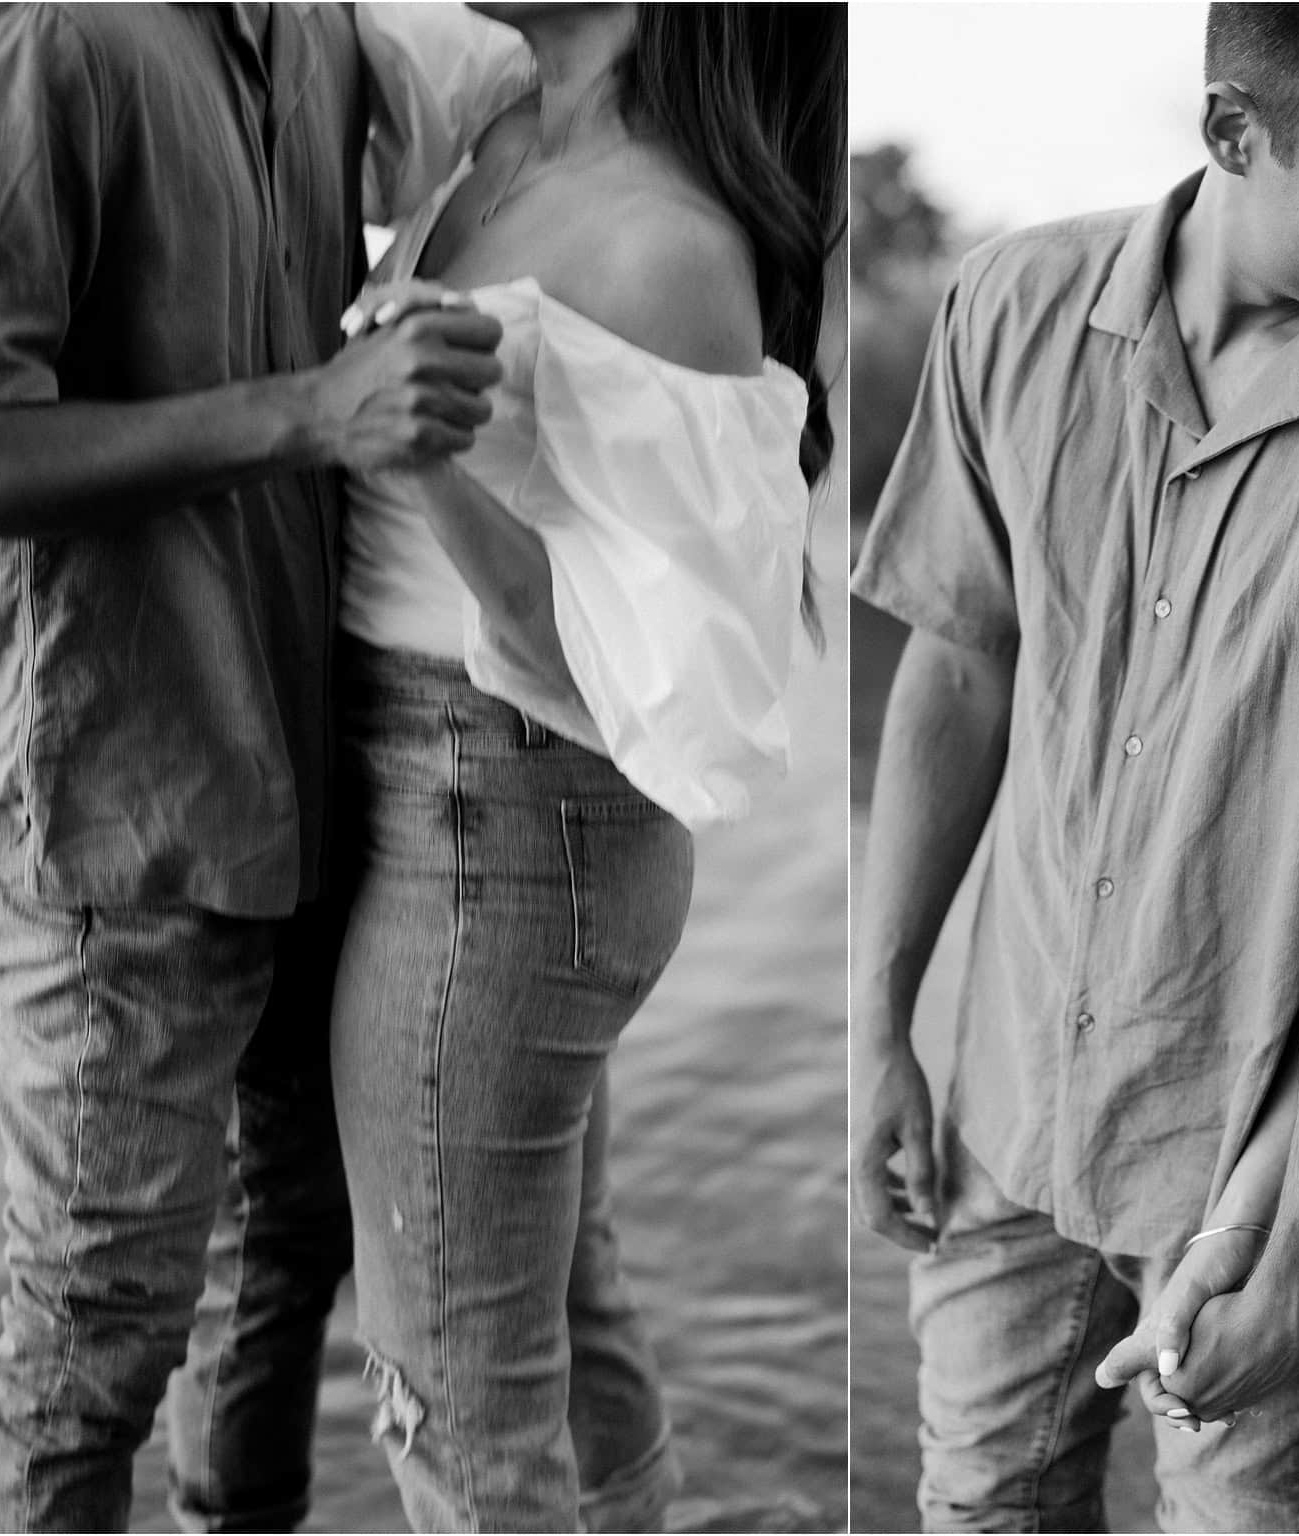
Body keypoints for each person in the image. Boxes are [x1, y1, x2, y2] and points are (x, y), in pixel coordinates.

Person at [852, 3, 1299, 1529]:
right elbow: (957, 670)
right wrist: (874, 1028)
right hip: (1002, 1093)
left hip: (1249, 1163)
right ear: (1234, 131)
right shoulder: (1007, 306)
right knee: (978, 1506)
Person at [0, 5, 519, 1529]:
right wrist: (311, 415)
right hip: (107, 815)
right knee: (92, 1346)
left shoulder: (321, 32)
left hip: (299, 784)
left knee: (283, 1259)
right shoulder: (28, 41)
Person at [322, 4, 845, 1529]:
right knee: (559, 1301)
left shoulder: (661, 245)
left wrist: (412, 458)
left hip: (505, 811)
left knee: (453, 1385)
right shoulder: (494, 142)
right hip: (464, 804)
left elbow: (636, 678)